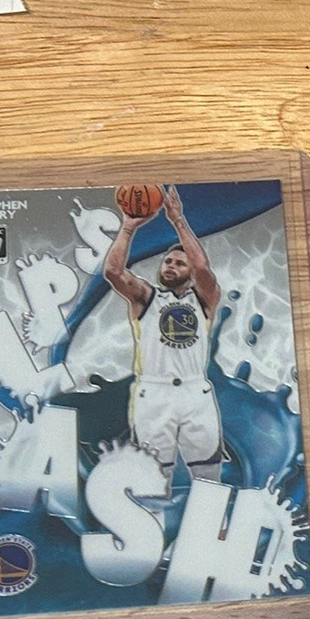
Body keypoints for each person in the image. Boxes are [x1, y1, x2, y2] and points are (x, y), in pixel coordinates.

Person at [103, 184, 223, 482]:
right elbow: (113, 272)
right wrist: (128, 228)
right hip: (154, 392)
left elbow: (202, 267)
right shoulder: (146, 297)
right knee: (154, 477)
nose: (171, 266)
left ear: (189, 273)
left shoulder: (204, 298)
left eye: (180, 263)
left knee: (209, 476)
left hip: (196, 391)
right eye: (168, 261)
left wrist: (178, 220)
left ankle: (210, 514)